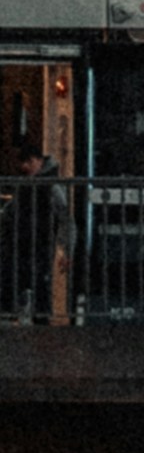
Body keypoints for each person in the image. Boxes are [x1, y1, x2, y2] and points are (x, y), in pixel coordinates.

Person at [0, 124, 73, 331]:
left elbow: (65, 219)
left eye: (27, 165)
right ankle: (39, 325)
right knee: (38, 287)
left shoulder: (47, 186)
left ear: (35, 162)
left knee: (28, 284)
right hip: (36, 242)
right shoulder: (48, 183)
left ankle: (28, 319)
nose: (26, 171)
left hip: (34, 243)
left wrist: (66, 249)